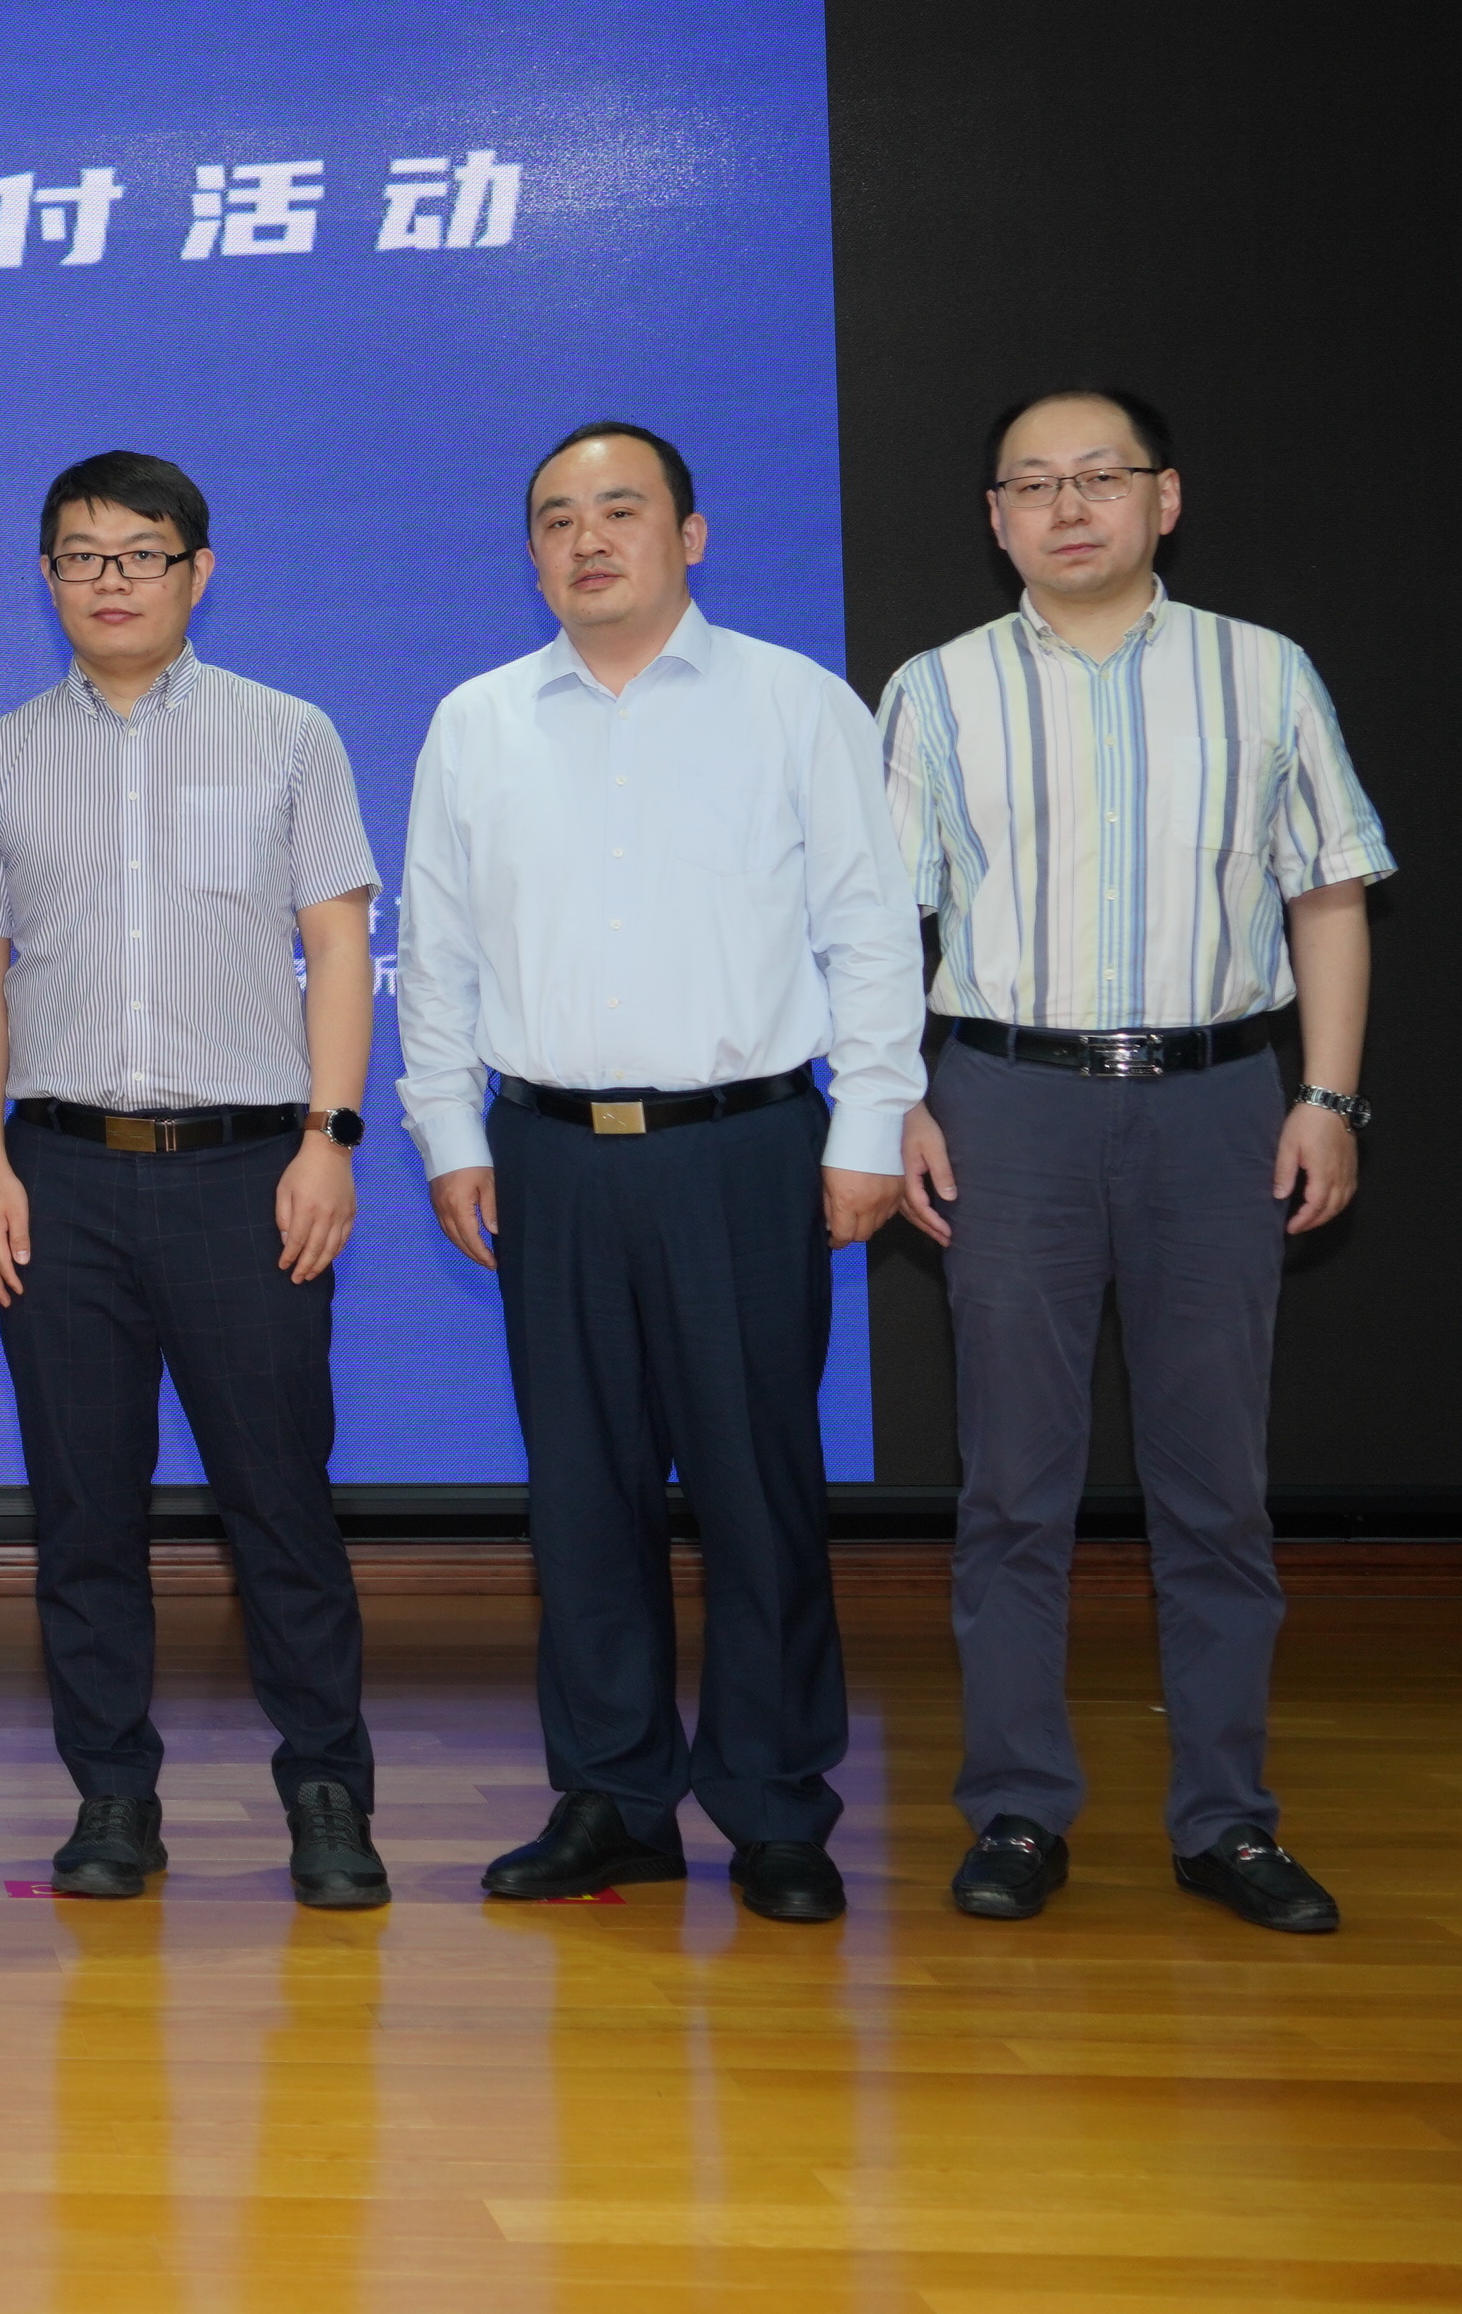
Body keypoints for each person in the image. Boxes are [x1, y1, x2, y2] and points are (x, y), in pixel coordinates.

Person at [399, 420, 918, 1925]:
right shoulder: (477, 723)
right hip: (547, 1154)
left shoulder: (795, 705)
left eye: (620, 511)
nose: (588, 539)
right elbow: (439, 952)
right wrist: (449, 1136)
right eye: (557, 518)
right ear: (532, 553)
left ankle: (774, 1802)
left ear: (689, 536)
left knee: (759, 1487)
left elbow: (869, 931)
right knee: (581, 1492)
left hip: (743, 1148)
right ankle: (614, 1796)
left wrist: (869, 1126)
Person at [882, 389, 1386, 1936]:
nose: (1067, 505)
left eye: (1099, 476)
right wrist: (893, 1094)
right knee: (1011, 1488)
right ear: (995, 520)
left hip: (1217, 1102)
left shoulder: (1263, 672)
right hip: (1005, 1104)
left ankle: (1227, 1821)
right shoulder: (935, 689)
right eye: (1032, 484)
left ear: (1164, 499)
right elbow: (877, 921)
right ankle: (1017, 1810)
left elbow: (1328, 895)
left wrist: (1329, 1097)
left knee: (1215, 1488)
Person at [0, 453, 388, 1912]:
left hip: (248, 1172)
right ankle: (113, 1796)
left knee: (281, 1504)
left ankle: (327, 1792)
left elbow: (337, 946)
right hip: (58, 1177)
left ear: (199, 571)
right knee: (84, 1513)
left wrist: (330, 1137)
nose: (112, 579)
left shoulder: (288, 735)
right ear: (48, 578)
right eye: (82, 556)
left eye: (141, 553)